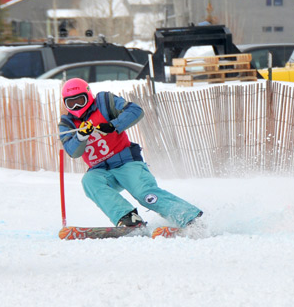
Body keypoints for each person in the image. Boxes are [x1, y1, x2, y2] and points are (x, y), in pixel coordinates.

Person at [58, 78, 203, 228]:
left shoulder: (104, 102)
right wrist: (81, 136)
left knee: (144, 194)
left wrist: (112, 125)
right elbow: (72, 151)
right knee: (89, 181)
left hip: (126, 162)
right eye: (71, 103)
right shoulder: (67, 123)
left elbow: (135, 111)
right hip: (100, 170)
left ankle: (188, 217)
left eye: (80, 100)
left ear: (88, 96)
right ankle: (128, 218)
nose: (76, 106)